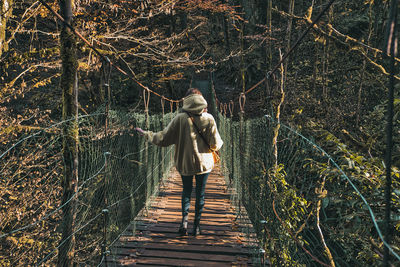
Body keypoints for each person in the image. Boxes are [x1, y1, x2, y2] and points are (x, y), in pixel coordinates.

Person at [135, 88, 223, 236]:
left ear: (186, 100)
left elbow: (163, 138)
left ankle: (184, 222)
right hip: (204, 163)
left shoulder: (180, 118)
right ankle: (196, 227)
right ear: (201, 100)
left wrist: (147, 134)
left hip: (185, 162)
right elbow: (215, 145)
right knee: (200, 194)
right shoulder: (209, 118)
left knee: (187, 192)